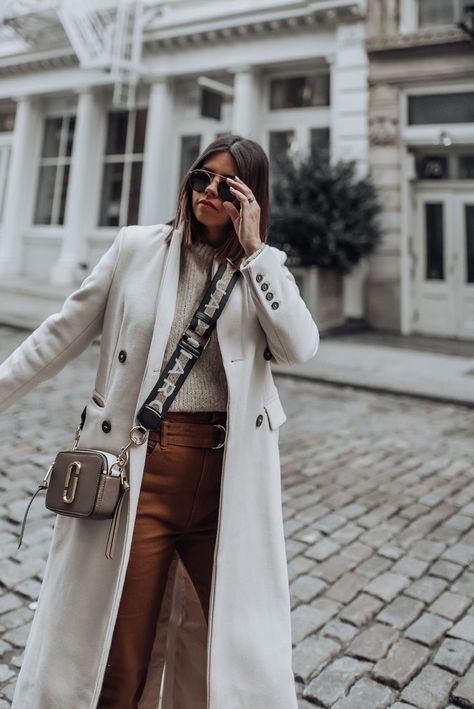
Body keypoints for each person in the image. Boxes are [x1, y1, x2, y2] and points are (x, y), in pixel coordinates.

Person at [0, 133, 319, 709]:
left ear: (251, 199)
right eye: (201, 177)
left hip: (227, 481)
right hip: (141, 472)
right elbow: (57, 336)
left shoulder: (261, 270)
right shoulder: (135, 250)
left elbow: (299, 347)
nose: (209, 193)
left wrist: (256, 253)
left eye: (227, 186)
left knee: (233, 645)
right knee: (118, 647)